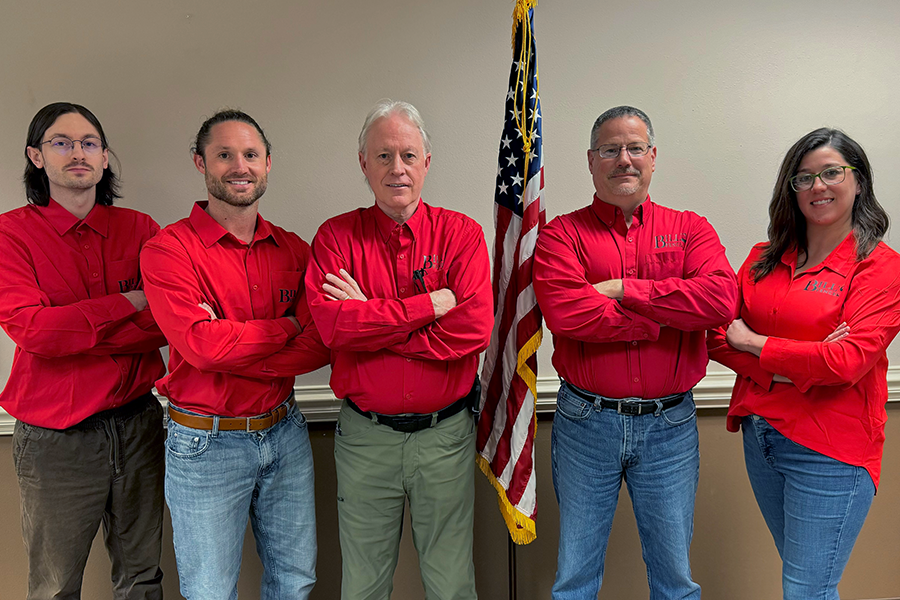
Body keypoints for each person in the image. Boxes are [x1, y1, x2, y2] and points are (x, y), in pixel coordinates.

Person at [533, 105, 737, 599]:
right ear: (590, 160)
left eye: (635, 148)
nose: (624, 159)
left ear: (652, 157)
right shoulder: (562, 234)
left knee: (674, 577)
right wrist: (666, 315)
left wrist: (626, 289)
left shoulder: (690, 228)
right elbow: (568, 315)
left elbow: (720, 300)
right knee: (575, 577)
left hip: (670, 425)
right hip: (586, 421)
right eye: (610, 149)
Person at [305, 99, 493, 600]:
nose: (397, 168)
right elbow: (332, 329)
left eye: (408, 155)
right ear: (363, 163)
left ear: (427, 161)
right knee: (364, 584)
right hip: (366, 438)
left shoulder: (462, 235)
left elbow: (473, 331)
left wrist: (370, 316)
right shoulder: (334, 238)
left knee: (452, 583)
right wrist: (429, 306)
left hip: (445, 436)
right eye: (383, 155)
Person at [140, 109, 330, 600]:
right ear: (200, 163)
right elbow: (199, 347)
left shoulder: (295, 250)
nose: (238, 166)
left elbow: (320, 341)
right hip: (206, 444)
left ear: (268, 164)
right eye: (223, 154)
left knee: (295, 581)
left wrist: (229, 343)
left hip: (285, 433)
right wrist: (285, 326)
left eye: (250, 155)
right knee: (209, 592)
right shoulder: (168, 251)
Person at [707, 128, 900, 599]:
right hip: (762, 439)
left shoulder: (880, 267)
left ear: (858, 180)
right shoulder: (761, 260)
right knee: (807, 583)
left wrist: (755, 341)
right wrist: (792, 364)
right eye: (805, 178)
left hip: (830, 448)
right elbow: (714, 335)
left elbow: (847, 362)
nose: (819, 186)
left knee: (805, 589)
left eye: (832, 172)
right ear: (790, 190)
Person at [0, 102, 167, 600]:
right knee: (55, 587)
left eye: (89, 143)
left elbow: (166, 324)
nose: (78, 152)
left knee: (142, 579)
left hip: (139, 425)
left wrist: (76, 330)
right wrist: (125, 302)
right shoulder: (11, 234)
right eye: (62, 142)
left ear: (104, 157)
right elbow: (33, 333)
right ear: (36, 156)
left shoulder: (141, 229)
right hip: (57, 439)